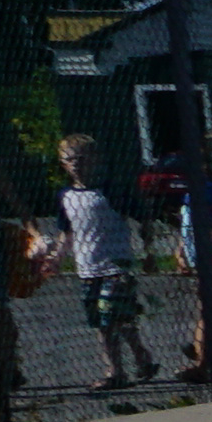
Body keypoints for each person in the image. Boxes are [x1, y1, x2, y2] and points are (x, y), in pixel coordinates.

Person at [56, 137, 157, 389]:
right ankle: (139, 358)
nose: (76, 165)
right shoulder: (66, 196)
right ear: (62, 163)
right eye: (70, 160)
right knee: (105, 321)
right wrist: (55, 258)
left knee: (111, 316)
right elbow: (65, 233)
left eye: (82, 159)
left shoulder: (111, 192)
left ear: (96, 160)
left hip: (116, 266)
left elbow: (144, 219)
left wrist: (149, 252)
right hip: (88, 268)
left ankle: (116, 371)